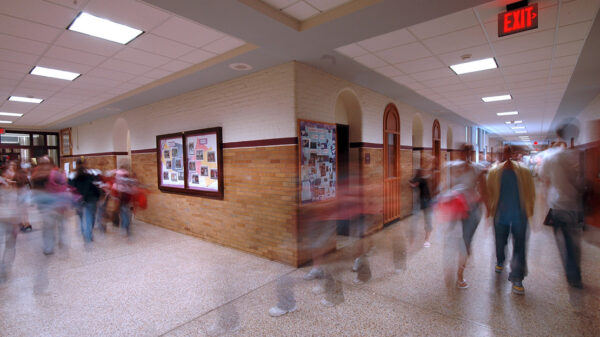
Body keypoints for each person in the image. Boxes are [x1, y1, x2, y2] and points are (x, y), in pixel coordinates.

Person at [539, 123, 584, 288]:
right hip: (576, 205)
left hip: (558, 205)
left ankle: (572, 274)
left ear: (558, 136)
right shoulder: (579, 155)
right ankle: (575, 273)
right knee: (574, 241)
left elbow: (544, 178)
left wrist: (543, 201)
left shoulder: (551, 157)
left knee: (565, 241)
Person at [487, 145, 535, 294]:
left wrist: (529, 211)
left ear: (513, 154)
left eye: (508, 152)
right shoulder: (494, 172)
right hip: (500, 216)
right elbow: (490, 192)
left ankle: (517, 278)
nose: (505, 155)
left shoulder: (524, 171)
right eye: (501, 153)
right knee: (500, 242)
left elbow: (530, 192)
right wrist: (490, 210)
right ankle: (500, 260)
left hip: (519, 216)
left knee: (520, 247)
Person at [438, 144, 487, 289]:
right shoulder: (450, 167)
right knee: (450, 239)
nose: (465, 155)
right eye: (462, 152)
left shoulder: (477, 169)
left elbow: (484, 190)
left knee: (466, 241)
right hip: (454, 207)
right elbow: (444, 185)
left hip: (471, 208)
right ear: (458, 152)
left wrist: (488, 209)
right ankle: (449, 267)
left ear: (471, 153)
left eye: (468, 152)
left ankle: (460, 274)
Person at [69, 159, 101, 243]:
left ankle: (83, 232)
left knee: (80, 217)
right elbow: (94, 186)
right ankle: (88, 235)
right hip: (90, 199)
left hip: (78, 199)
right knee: (89, 217)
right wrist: (98, 195)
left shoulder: (72, 175)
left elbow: (71, 188)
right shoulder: (90, 174)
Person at [409, 168, 433, 247]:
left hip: (425, 201)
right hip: (425, 201)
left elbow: (413, 184)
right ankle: (426, 240)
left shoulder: (421, 179)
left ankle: (424, 240)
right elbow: (413, 183)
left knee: (425, 220)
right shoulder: (421, 179)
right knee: (427, 220)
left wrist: (411, 184)